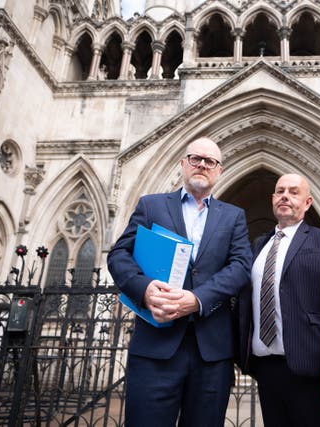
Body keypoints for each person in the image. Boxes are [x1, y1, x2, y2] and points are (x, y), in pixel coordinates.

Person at [107, 137, 252, 427]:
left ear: (219, 170)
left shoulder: (234, 216)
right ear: (183, 164)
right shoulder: (151, 205)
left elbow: (241, 266)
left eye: (209, 161)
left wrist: (197, 300)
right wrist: (144, 289)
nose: (202, 165)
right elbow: (119, 254)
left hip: (211, 353)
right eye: (195, 159)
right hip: (155, 349)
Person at [237, 174, 320, 427]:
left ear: (308, 202)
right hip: (266, 368)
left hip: (309, 367)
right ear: (273, 199)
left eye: (294, 191)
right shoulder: (259, 244)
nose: (285, 196)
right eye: (280, 191)